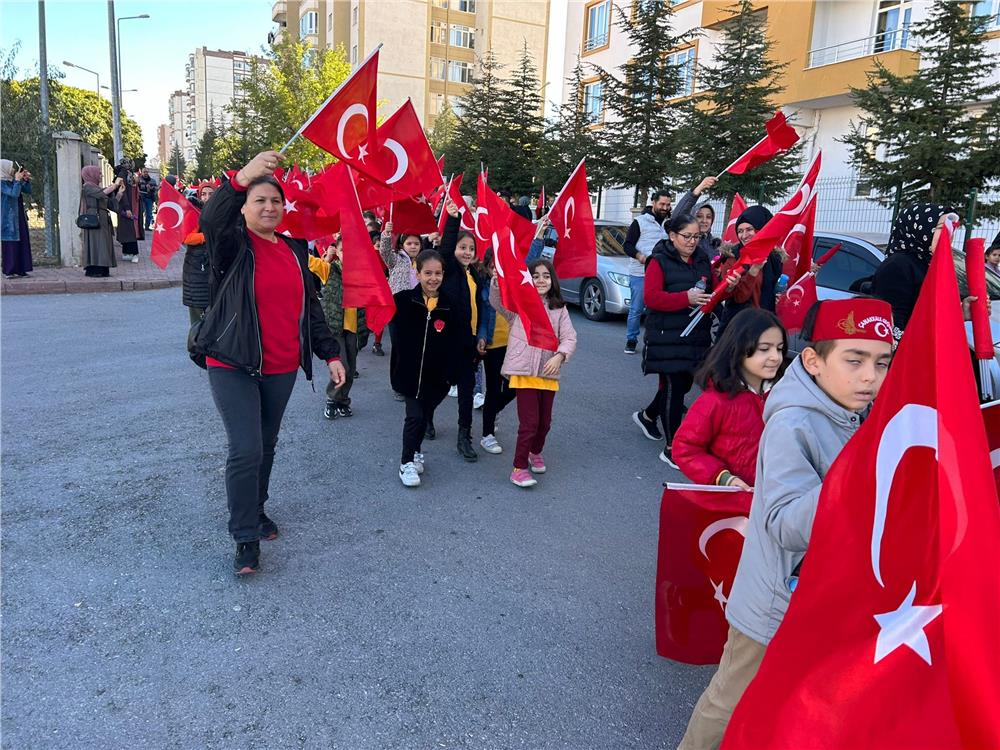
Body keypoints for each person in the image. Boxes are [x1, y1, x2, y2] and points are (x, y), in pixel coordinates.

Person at [676, 298, 894, 750]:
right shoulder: (793, 423)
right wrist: (859, 475)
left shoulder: (859, 412)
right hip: (773, 604)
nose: (870, 376)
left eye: (882, 362)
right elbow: (785, 524)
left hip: (827, 600)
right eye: (854, 360)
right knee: (728, 700)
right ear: (813, 361)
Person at [193, 150, 345, 575]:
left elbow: (310, 309)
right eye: (259, 200)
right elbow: (210, 220)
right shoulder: (232, 245)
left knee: (267, 443)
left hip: (280, 365)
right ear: (244, 207)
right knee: (246, 448)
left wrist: (330, 353)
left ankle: (256, 509)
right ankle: (244, 537)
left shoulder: (295, 252)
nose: (269, 207)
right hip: (233, 361)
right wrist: (243, 176)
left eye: (275, 201)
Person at [672, 309, 787, 490]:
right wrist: (724, 478)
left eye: (779, 348)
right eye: (764, 349)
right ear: (738, 349)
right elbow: (685, 448)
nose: (775, 357)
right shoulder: (715, 401)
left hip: (776, 499)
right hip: (733, 501)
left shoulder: (785, 395)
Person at [631, 213, 713, 468]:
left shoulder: (702, 259)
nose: (692, 242)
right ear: (672, 236)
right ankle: (672, 447)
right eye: (687, 236)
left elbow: (711, 288)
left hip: (695, 335)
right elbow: (652, 298)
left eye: (696, 237)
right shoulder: (659, 261)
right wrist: (684, 298)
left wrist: (725, 289)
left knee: (685, 384)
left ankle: (648, 415)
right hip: (666, 335)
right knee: (673, 388)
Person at [489, 258, 577, 487]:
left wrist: (560, 355)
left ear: (552, 280)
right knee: (529, 422)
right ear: (528, 279)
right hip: (524, 372)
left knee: (544, 423)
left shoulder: (559, 308)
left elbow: (569, 337)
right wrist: (497, 282)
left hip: (548, 373)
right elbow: (497, 301)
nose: (540, 280)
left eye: (546, 275)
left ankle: (534, 452)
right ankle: (518, 467)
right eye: (535, 275)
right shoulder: (519, 305)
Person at [390, 249, 460, 487]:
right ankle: (406, 462)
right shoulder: (402, 300)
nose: (433, 278)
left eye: (438, 273)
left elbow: (456, 341)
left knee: (424, 415)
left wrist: (452, 374)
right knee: (415, 416)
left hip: (438, 378)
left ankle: (416, 449)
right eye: (427, 273)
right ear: (417, 273)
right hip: (410, 375)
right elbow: (380, 310)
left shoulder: (450, 305)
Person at [478, 230, 546, 455]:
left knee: (514, 387)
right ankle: (487, 434)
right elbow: (481, 316)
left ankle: (493, 410)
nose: (497, 270)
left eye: (500, 266)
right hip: (493, 345)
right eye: (492, 266)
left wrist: (538, 237)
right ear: (486, 267)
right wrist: (482, 337)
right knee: (493, 389)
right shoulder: (485, 288)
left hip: (516, 346)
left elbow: (525, 265)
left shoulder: (514, 284)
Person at [434, 199, 486, 462]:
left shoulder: (475, 275)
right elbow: (444, 251)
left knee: (466, 391)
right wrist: (453, 220)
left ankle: (464, 436)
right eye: (462, 247)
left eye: (470, 248)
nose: (466, 252)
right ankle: (428, 417)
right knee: (440, 387)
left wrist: (480, 338)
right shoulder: (450, 269)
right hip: (447, 342)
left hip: (469, 343)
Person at [871, 203, 954, 336]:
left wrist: (960, 312)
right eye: (940, 228)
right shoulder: (898, 265)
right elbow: (891, 323)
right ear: (920, 229)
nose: (948, 234)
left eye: (951, 228)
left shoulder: (927, 264)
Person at [310, 235, 369, 420]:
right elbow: (309, 261)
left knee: (351, 369)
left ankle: (343, 400)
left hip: (354, 329)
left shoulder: (362, 274)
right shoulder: (330, 270)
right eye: (344, 251)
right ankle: (331, 398)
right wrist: (327, 257)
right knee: (341, 365)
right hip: (335, 328)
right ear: (337, 251)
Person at [714, 205, 784, 331]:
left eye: (749, 229)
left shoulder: (774, 258)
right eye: (740, 231)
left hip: (765, 325)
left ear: (762, 229)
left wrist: (776, 296)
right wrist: (753, 272)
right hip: (739, 328)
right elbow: (738, 298)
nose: (744, 235)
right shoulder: (733, 257)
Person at [623, 189, 672, 354]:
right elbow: (627, 245)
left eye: (668, 204)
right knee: (636, 309)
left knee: (657, 309)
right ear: (653, 202)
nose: (665, 207)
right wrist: (642, 257)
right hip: (640, 273)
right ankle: (631, 340)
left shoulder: (669, 224)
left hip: (661, 274)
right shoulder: (640, 222)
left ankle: (653, 340)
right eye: (662, 204)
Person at [79, 166, 122, 278]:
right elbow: (101, 194)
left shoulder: (97, 188)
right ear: (91, 174)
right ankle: (95, 269)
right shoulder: (87, 187)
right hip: (94, 219)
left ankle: (103, 268)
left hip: (103, 219)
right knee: (96, 244)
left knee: (103, 244)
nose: (101, 175)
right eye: (99, 173)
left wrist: (119, 194)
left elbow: (110, 205)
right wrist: (115, 185)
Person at [182, 182, 215, 324]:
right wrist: (207, 236)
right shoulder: (194, 213)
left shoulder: (219, 213)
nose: (207, 197)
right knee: (198, 323)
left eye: (211, 194)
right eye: (204, 194)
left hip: (212, 272)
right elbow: (187, 238)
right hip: (196, 271)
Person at [674, 176, 721, 259]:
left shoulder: (716, 244)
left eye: (709, 217)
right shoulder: (685, 242)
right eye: (699, 216)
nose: (704, 221)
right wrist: (697, 190)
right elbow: (677, 218)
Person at [1, 159, 33, 278]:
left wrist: (25, 180)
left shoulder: (12, 181)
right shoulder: (2, 183)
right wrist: (17, 181)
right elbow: (13, 194)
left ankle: (22, 269)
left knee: (22, 240)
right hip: (8, 217)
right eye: (11, 167)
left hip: (19, 215)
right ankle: (9, 270)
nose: (13, 170)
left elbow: (28, 191)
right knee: (10, 243)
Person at [113, 160, 142, 263]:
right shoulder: (122, 174)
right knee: (130, 229)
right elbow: (123, 190)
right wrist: (127, 207)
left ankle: (127, 252)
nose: (128, 165)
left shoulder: (128, 173)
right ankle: (133, 253)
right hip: (127, 205)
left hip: (131, 204)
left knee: (128, 229)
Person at [138, 167, 157, 231]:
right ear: (142, 173)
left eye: (146, 172)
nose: (145, 173)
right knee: (141, 212)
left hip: (149, 198)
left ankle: (147, 227)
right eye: (144, 172)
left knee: (149, 213)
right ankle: (140, 226)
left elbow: (156, 188)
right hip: (141, 198)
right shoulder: (138, 180)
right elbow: (136, 188)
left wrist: (151, 188)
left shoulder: (152, 180)